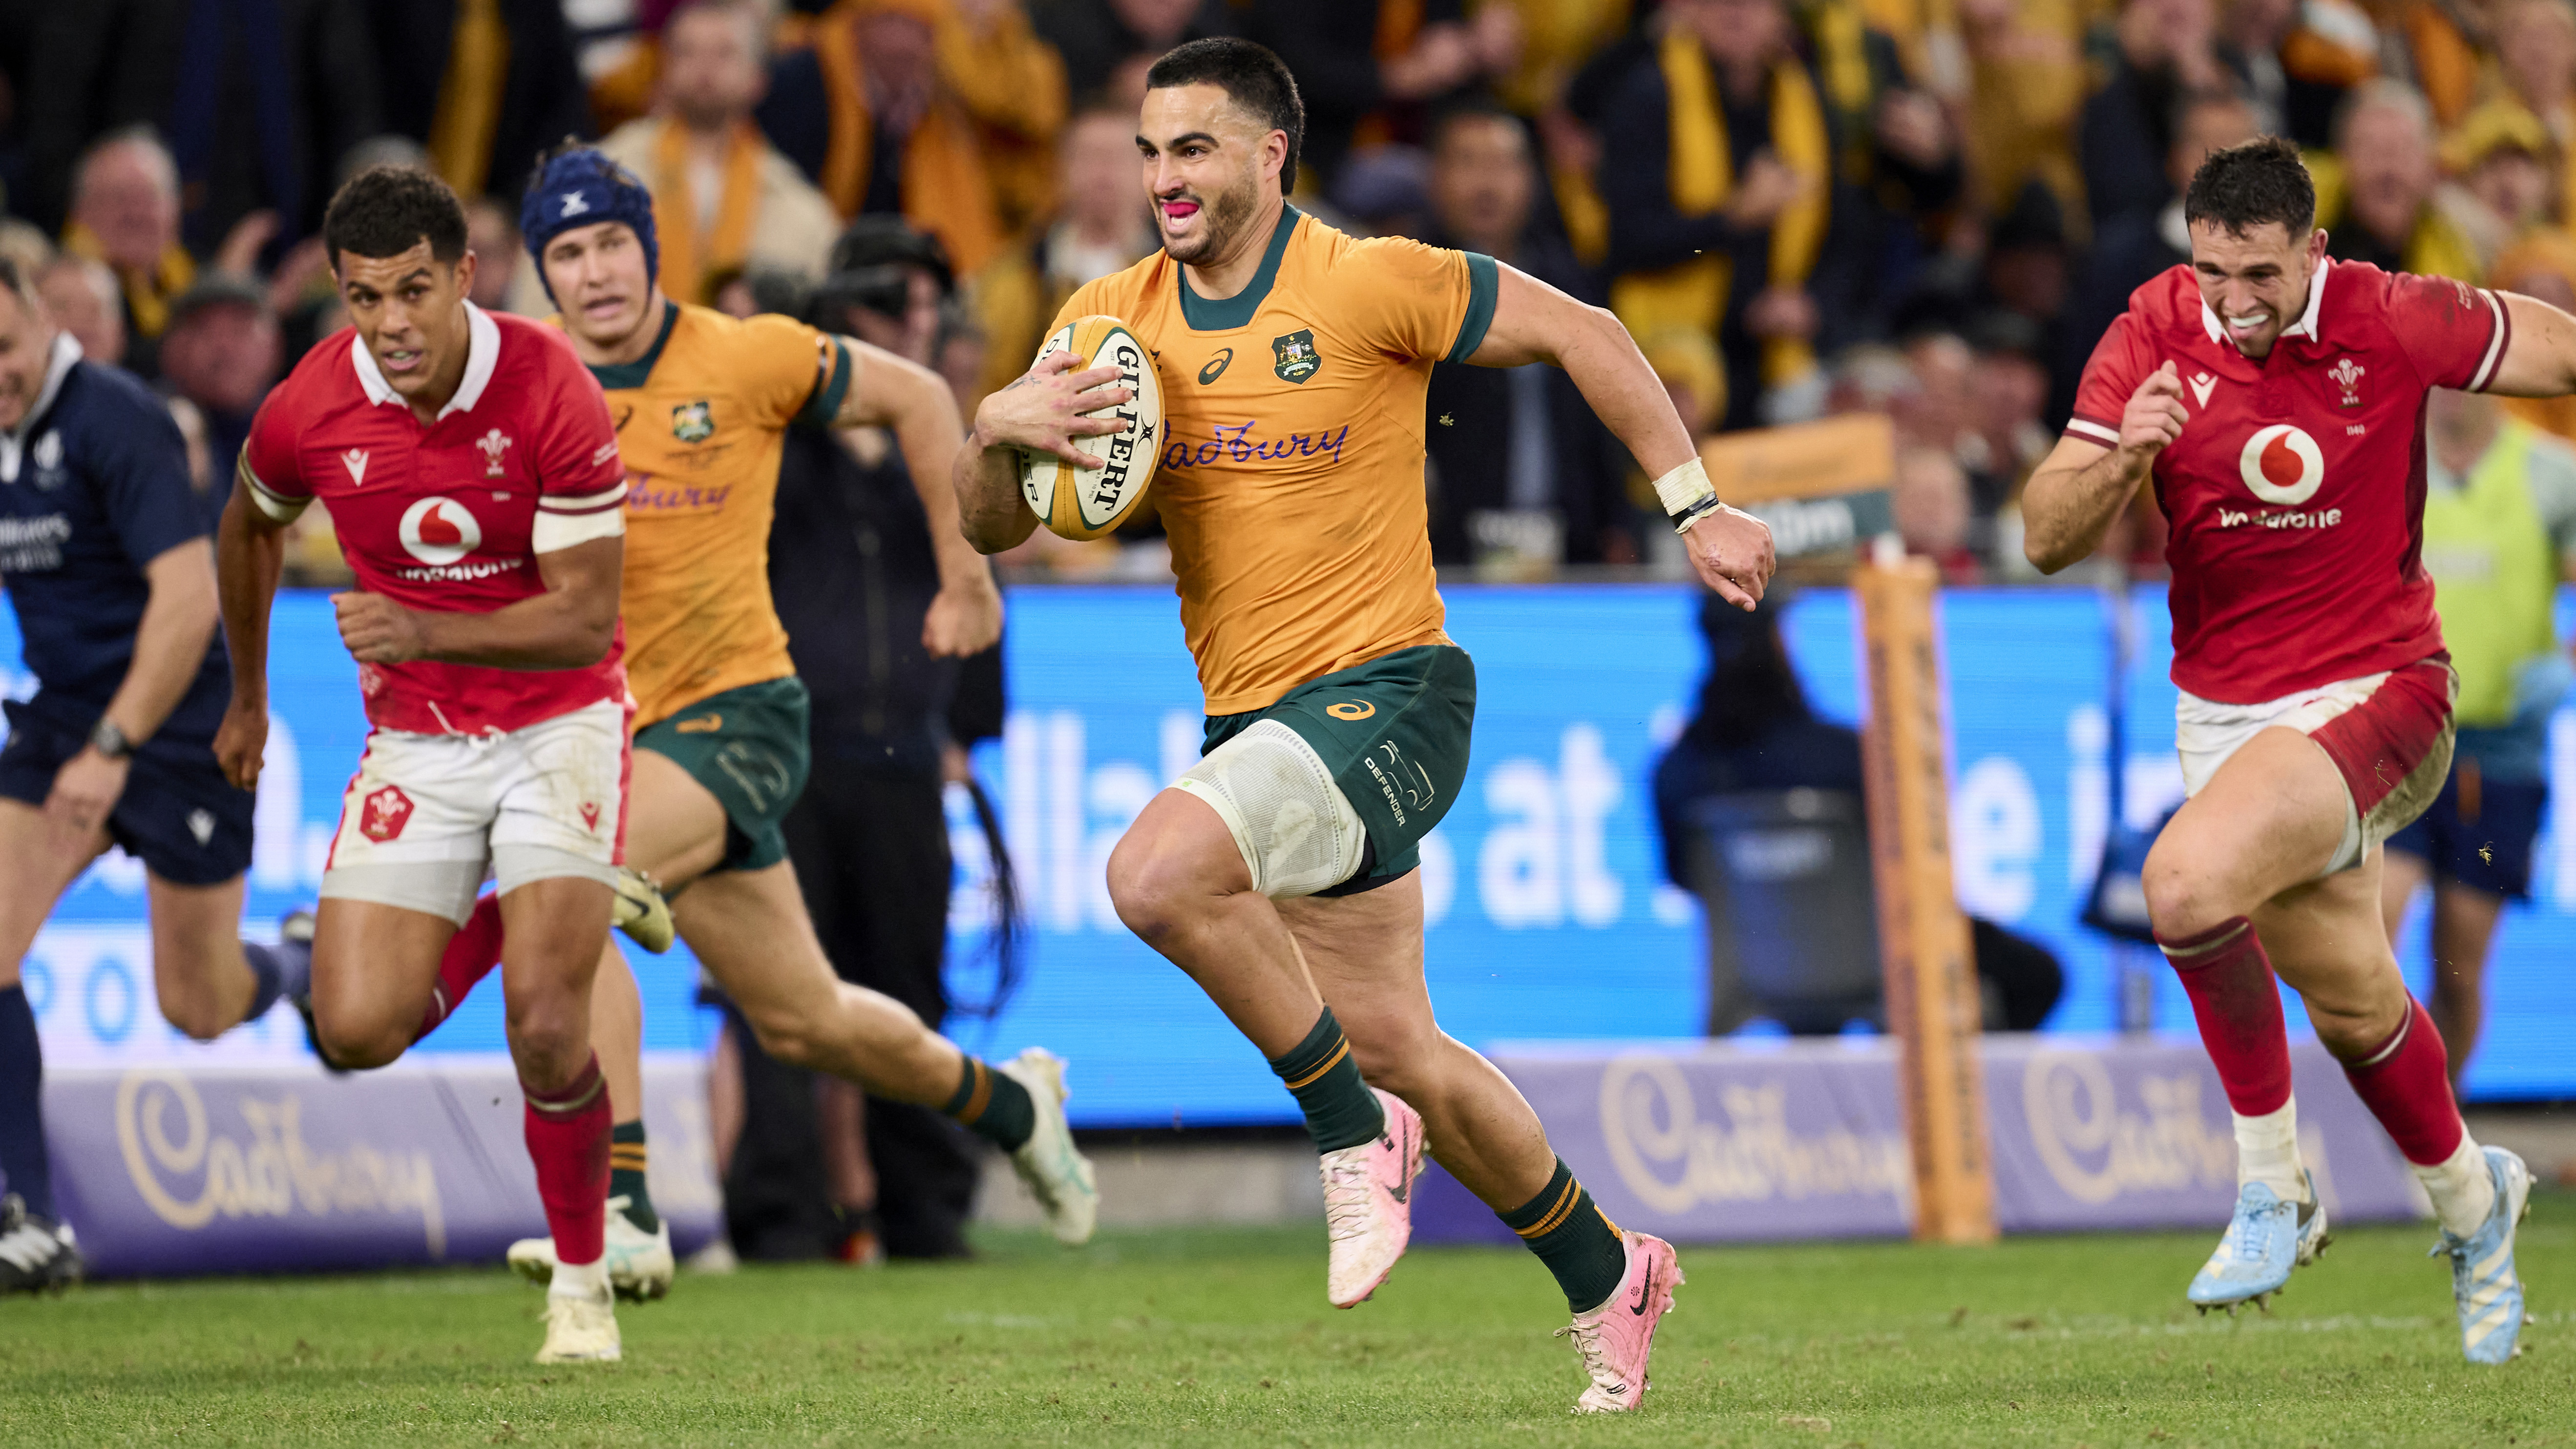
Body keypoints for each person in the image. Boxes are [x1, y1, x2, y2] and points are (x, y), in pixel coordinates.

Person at [953, 39, 1775, 1413]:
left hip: (1394, 690)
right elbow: (1003, 529)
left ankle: (1347, 1131)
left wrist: (1695, 503)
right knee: (1401, 1040)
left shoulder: (1371, 279)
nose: (1166, 177)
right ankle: (1607, 1268)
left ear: (1270, 157)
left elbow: (1589, 329)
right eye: (1152, 151)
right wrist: (996, 427)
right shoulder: (1102, 320)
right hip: (1257, 722)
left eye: (1195, 149)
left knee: (1154, 874)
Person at [441, 146, 1092, 1293]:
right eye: (567, 253)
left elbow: (922, 394)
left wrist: (967, 575)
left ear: (649, 244)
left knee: (568, 874)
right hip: (614, 737)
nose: (594, 272)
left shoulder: (744, 356)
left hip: (740, 715)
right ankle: (1011, 1101)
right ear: (542, 272)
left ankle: (623, 1206)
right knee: (807, 1020)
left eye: (611, 244)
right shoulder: (518, 382)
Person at [2026, 135, 2567, 1362]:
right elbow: (2044, 536)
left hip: (2384, 690)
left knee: (2179, 884)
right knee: (2351, 996)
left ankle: (2273, 1180)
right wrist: (2123, 456)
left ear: (2311, 251)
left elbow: (2561, 349)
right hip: (2223, 716)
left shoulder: (2389, 315)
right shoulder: (2150, 332)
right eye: (2213, 270)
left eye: (2260, 274)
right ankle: (2476, 1205)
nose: (2233, 301)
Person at [214, 166, 650, 1365]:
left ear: (467, 274)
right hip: (420, 737)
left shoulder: (548, 384)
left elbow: (581, 621)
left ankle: (579, 1286)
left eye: (414, 289)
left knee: (548, 1032)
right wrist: (248, 695)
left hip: (562, 719)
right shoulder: (314, 402)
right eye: (365, 298)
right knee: (352, 1027)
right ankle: (536, 899)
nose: (392, 323)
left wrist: (423, 628)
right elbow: (250, 520)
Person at [0, 259, 317, 1293]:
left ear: (43, 319)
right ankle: (32, 1217)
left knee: (201, 1000)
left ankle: (297, 970)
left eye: (4, 348)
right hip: (61, 717)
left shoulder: (115, 419)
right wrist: (80, 742)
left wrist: (114, 748)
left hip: (178, 729)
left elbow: (185, 606)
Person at [2380, 389, 2576, 1088]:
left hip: (2497, 762)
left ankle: (2434, 1124)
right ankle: (2363, 1120)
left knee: (2458, 962)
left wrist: (2565, 663)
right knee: (2373, 926)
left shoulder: (2551, 472)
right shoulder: (2386, 460)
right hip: (2397, 750)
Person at [597, 0, 844, 302]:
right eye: (688, 51)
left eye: (725, 53)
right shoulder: (601, 173)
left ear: (759, 78)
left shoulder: (802, 211)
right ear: (664, 69)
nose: (705, 67)